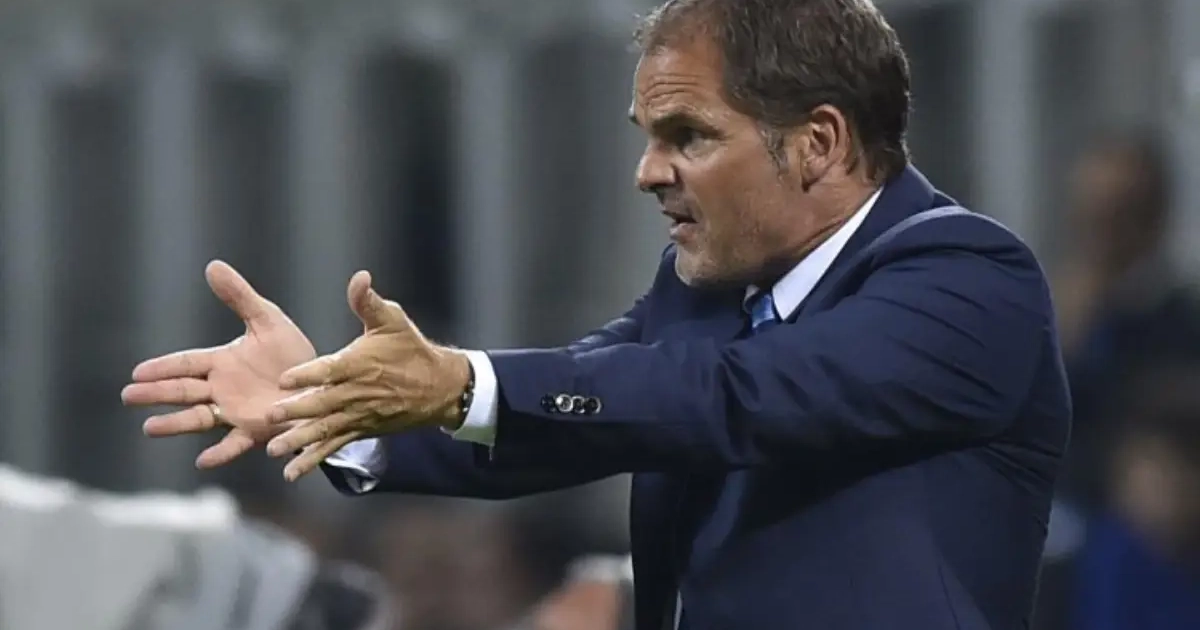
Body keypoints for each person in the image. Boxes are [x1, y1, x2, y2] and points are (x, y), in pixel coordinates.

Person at [122, 0, 1072, 628]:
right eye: (648, 137)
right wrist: (325, 402)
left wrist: (459, 381)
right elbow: (565, 414)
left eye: (688, 136)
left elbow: (738, 396)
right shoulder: (702, 294)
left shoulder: (968, 278)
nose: (649, 172)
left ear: (819, 141)